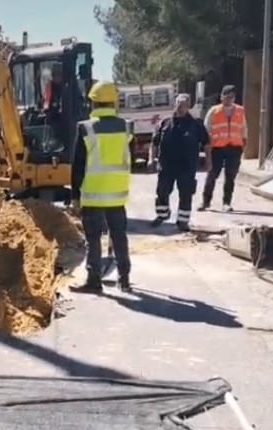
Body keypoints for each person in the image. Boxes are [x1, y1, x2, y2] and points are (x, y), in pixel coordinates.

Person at [69, 81, 134, 294]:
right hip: (117, 194)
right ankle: (124, 279)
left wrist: (75, 195)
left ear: (93, 102)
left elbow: (78, 165)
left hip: (93, 194)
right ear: (114, 102)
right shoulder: (126, 126)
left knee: (93, 239)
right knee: (119, 236)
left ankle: (94, 280)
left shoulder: (86, 128)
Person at [148, 93, 212, 232]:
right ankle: (162, 215)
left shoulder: (196, 124)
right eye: (179, 104)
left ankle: (182, 221)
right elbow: (154, 143)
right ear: (175, 104)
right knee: (162, 191)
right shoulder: (165, 123)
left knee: (186, 193)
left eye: (184, 105)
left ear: (189, 106)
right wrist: (151, 159)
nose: (181, 107)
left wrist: (208, 162)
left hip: (187, 167)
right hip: (166, 166)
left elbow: (206, 144)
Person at [198, 84, 247, 212]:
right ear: (221, 97)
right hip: (217, 148)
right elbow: (206, 129)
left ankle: (226, 203)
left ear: (234, 98)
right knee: (212, 175)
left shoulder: (240, 111)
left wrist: (243, 144)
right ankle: (206, 202)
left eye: (231, 97)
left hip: (234, 148)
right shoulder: (214, 111)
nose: (228, 99)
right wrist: (206, 146)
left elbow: (243, 128)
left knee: (230, 176)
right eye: (225, 97)